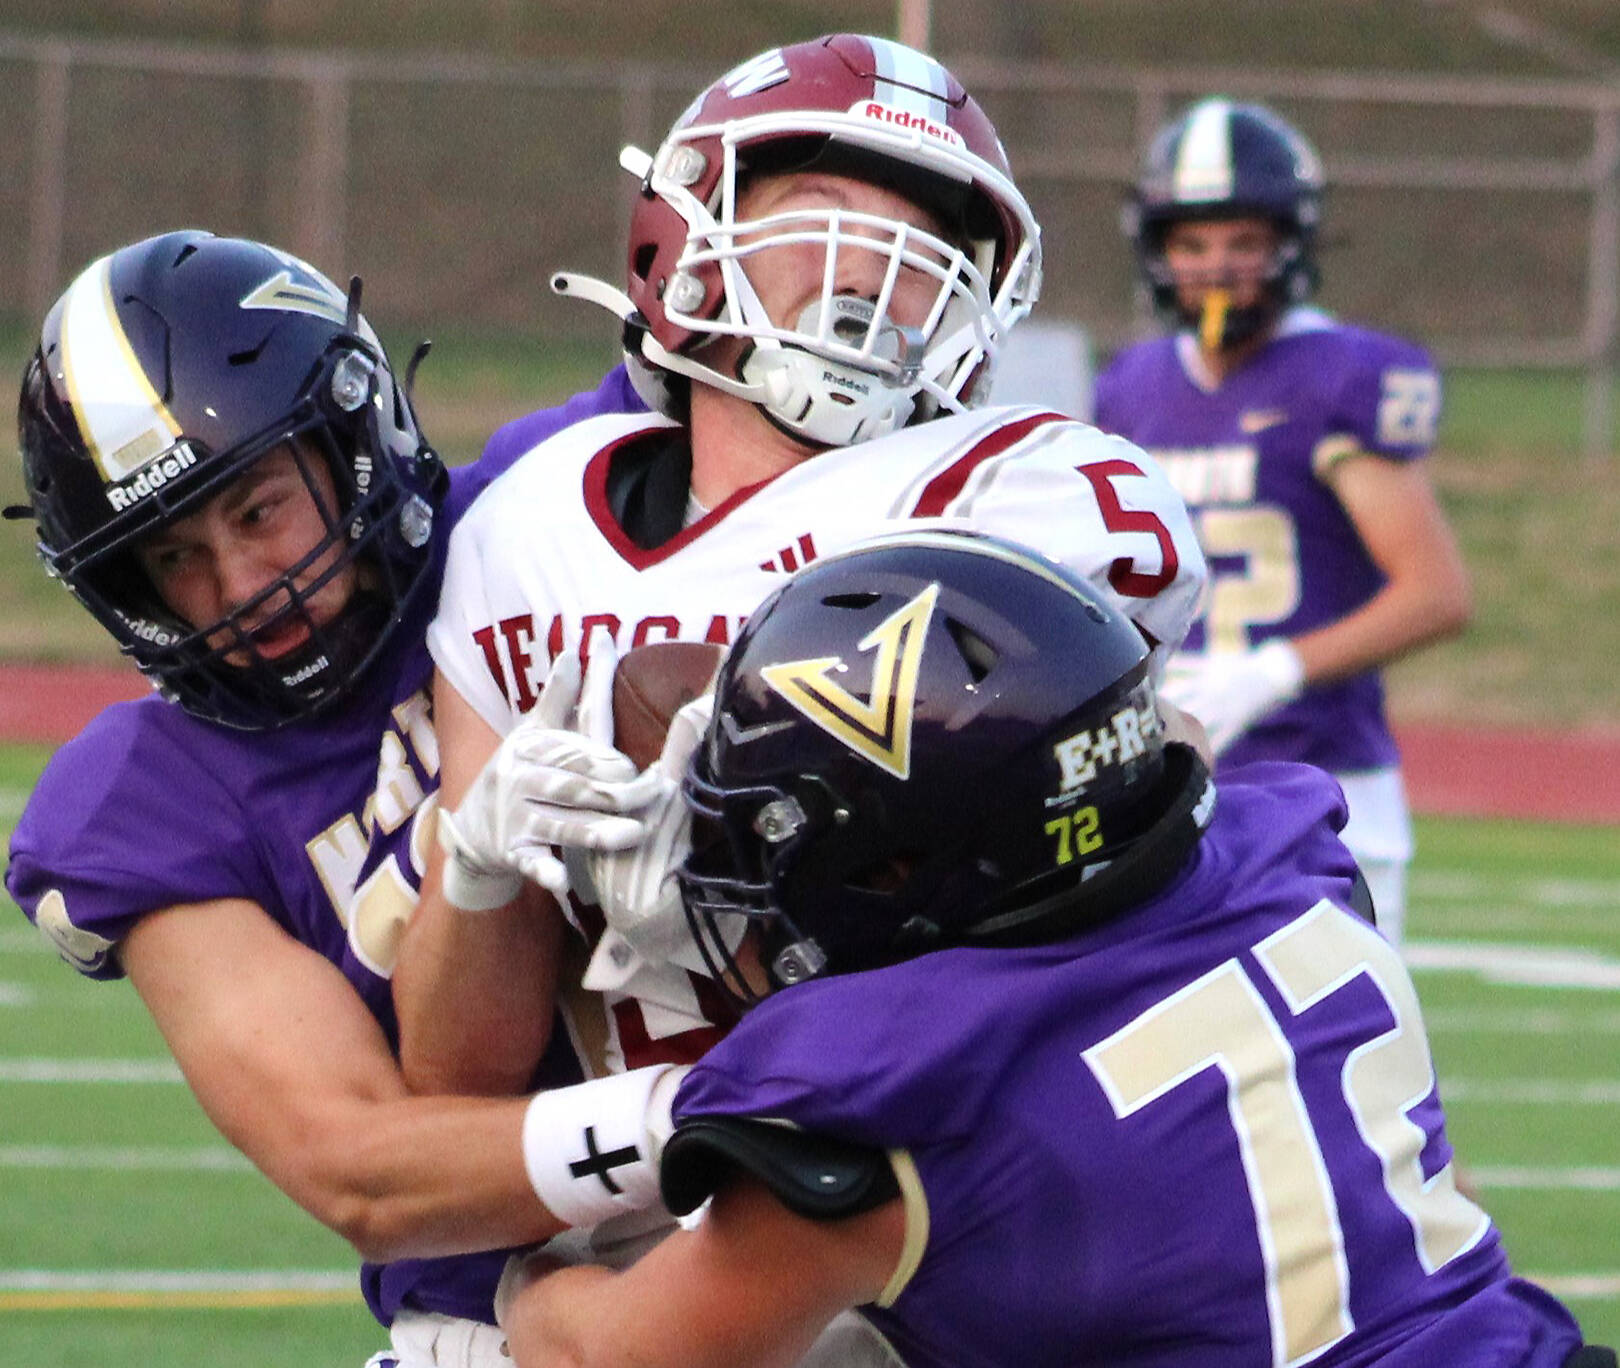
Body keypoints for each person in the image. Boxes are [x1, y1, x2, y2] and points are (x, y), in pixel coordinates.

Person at [497, 529, 1594, 1368]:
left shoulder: (895, 1091)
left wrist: (514, 1294)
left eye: (779, 829)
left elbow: (609, 1352)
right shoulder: (1290, 865)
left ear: (905, 861)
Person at [394, 31, 1206, 1111]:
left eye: (920, 241)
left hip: (945, 1174)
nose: (873, 265)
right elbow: (457, 1075)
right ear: (686, 235)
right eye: (823, 210)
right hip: (655, 1199)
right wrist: (484, 870)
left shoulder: (1013, 493)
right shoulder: (528, 527)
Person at [1, 229, 665, 1367]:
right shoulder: (145, 796)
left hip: (811, 1214)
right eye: (174, 559)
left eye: (259, 512)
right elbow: (364, 1168)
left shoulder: (553, 501)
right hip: (506, 1313)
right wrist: (707, 1123)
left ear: (352, 442)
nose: (240, 589)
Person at [1093, 97, 1473, 946]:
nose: (1217, 267)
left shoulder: (1340, 375)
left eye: (1242, 243)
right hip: (1168, 776)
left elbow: (1436, 594)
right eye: (1192, 244)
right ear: (1157, 250)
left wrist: (1272, 671)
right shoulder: (1131, 386)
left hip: (1321, 782)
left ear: (1289, 244)